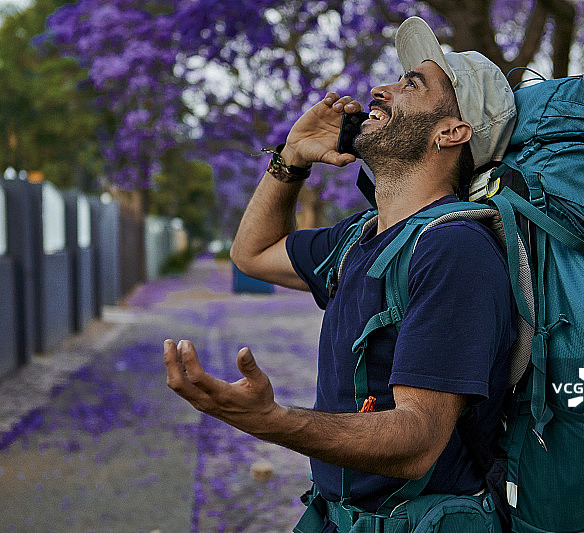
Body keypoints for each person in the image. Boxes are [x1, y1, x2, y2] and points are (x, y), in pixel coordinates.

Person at [163, 16, 517, 532]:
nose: (380, 88)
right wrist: (291, 159)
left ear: (452, 132)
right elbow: (253, 253)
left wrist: (271, 421)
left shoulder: (455, 248)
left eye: (411, 84)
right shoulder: (360, 236)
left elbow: (419, 440)